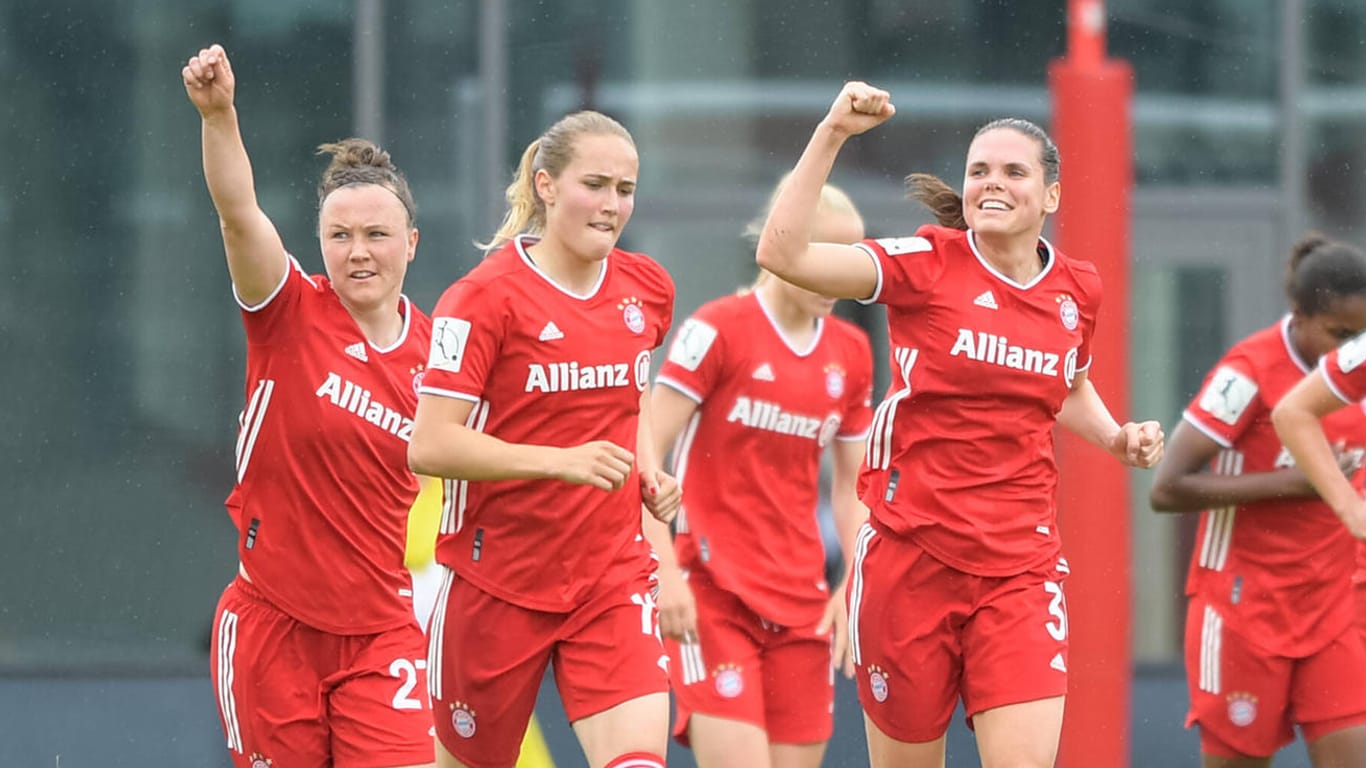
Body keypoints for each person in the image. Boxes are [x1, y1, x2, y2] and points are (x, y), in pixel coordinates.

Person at [753, 81, 1165, 768]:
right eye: (978, 171)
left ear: (1051, 196)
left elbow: (1068, 385)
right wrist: (832, 132)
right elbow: (783, 256)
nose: (991, 184)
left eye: (1013, 171)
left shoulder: (1076, 289)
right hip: (910, 562)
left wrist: (1117, 437)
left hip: (1020, 571)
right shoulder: (925, 264)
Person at [183, 45, 435, 768]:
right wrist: (219, 115)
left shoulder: (441, 356)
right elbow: (238, 215)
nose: (359, 252)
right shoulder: (287, 309)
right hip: (272, 629)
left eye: (378, 235)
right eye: (340, 236)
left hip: (383, 637)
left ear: (411, 244)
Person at [408, 109, 679, 768]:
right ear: (546, 185)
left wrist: (649, 469)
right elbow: (430, 445)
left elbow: (630, 394)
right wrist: (560, 463)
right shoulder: (482, 299)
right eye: (596, 184)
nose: (613, 205)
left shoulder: (647, 288)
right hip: (495, 583)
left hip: (610, 580)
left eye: (625, 189)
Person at [644, 178, 875, 768]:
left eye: (851, 261)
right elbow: (641, 447)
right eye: (826, 256)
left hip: (802, 602)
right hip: (712, 596)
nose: (840, 277)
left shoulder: (851, 352)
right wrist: (664, 571)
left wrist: (854, 579)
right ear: (786, 243)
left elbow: (853, 485)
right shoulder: (718, 328)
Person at [1150, 234, 1366, 768]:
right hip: (1243, 606)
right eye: (1340, 334)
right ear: (1299, 314)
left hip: (1335, 605)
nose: (1352, 348)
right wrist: (1299, 484)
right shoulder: (1248, 372)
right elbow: (1168, 488)